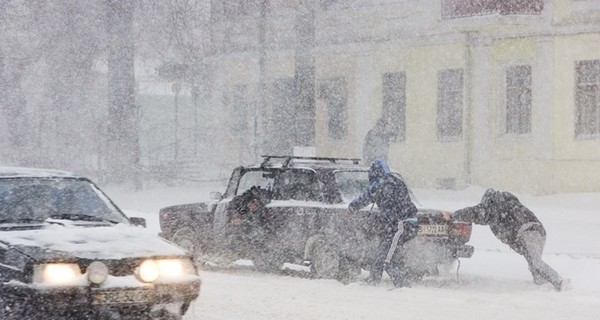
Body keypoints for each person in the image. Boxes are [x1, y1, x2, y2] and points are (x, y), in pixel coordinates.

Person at [448, 188, 568, 291]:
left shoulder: (496, 206)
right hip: (538, 232)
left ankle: (559, 282)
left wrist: (454, 215)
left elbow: (476, 213)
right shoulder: (507, 204)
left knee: (536, 263)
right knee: (534, 264)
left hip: (528, 232)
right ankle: (543, 287)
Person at [348, 159, 419, 288]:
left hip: (401, 225)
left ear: (374, 172)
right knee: (381, 253)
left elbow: (365, 197)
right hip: (406, 224)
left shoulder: (381, 184)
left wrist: (352, 208)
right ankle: (373, 280)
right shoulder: (396, 181)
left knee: (388, 259)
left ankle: (402, 286)